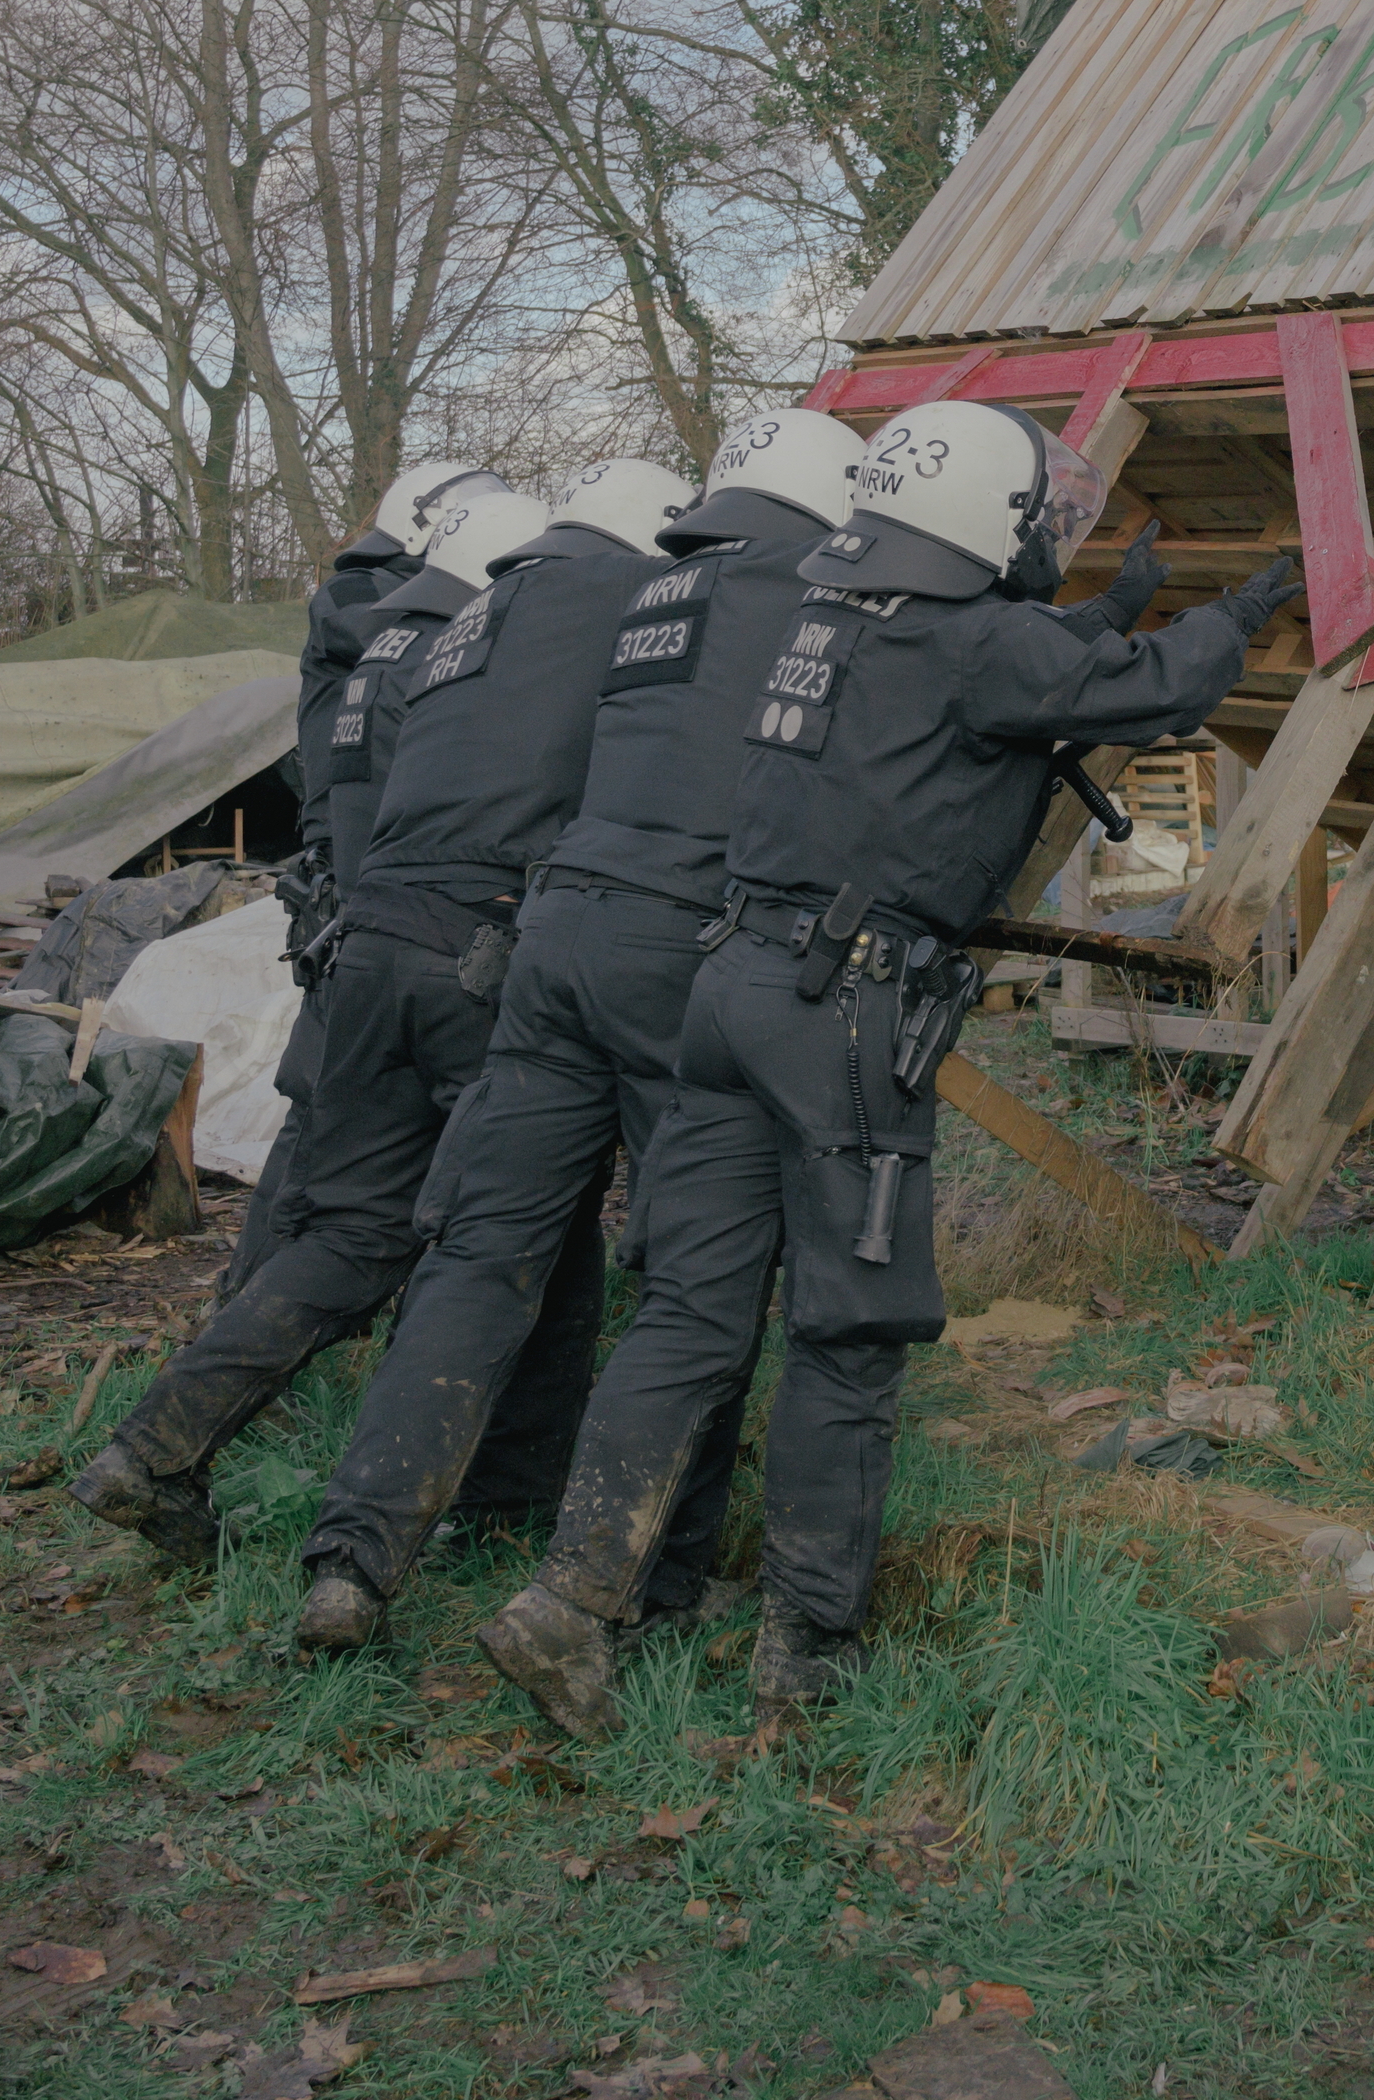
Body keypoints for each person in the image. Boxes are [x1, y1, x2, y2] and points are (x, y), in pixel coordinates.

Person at [471, 400, 1295, 1736]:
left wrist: (1096, 613)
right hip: (842, 1015)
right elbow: (1156, 694)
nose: (1044, 540)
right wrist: (1232, 613)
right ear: (980, 521)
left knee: (688, 1315)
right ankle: (807, 1657)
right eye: (1037, 520)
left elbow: (986, 678)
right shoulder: (973, 639)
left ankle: (571, 1604)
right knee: (849, 1340)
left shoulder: (830, 615)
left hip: (729, 989)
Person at [289, 411, 869, 1651]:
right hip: (683, 959)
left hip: (552, 941)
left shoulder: (655, 594)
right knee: (692, 1278)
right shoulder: (811, 598)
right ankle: (654, 1578)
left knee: (475, 1257)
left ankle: (353, 1558)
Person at [70, 465, 677, 1562]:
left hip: (369, 955)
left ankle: (151, 1449)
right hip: (480, 964)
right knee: (523, 1232)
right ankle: (481, 1504)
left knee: (350, 1233)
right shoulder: (599, 617)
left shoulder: (439, 633)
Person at [232, 460, 512, 1303]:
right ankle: (252, 1306)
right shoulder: (363, 605)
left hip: (375, 887)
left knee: (343, 1119)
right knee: (321, 1117)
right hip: (355, 888)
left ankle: (285, 1309)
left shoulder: (384, 605)